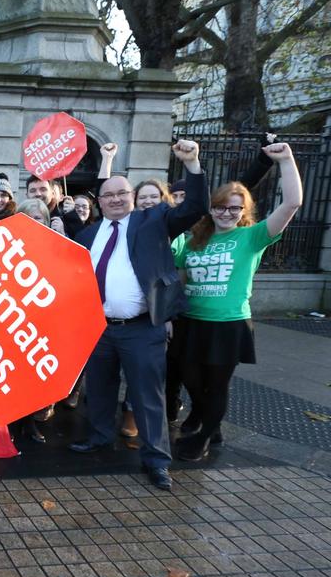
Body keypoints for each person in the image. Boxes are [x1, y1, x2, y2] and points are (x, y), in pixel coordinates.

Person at [67, 140, 209, 491]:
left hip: (142, 329)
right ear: (100, 202)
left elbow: (196, 207)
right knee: (99, 389)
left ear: (132, 197)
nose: (115, 199)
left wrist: (192, 164)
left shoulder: (154, 220)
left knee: (148, 396)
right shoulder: (88, 234)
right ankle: (100, 436)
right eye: (108, 195)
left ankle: (157, 460)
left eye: (122, 193)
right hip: (98, 329)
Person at [172, 143, 302, 462]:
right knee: (191, 379)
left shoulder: (252, 237)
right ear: (211, 208)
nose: (227, 213)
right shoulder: (194, 240)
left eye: (234, 208)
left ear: (244, 211)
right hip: (192, 321)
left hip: (228, 324)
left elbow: (292, 203)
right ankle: (206, 418)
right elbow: (181, 281)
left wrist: (286, 160)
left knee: (217, 386)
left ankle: (205, 436)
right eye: (220, 207)